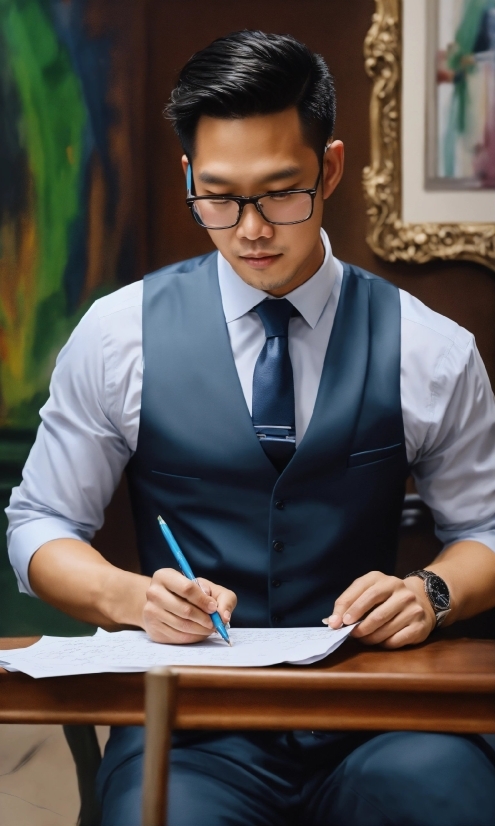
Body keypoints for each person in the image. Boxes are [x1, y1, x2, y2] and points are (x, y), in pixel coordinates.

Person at [6, 30, 495, 826]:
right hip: (193, 724)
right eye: (220, 197)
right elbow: (39, 527)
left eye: (280, 192)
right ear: (189, 176)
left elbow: (487, 527)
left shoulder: (429, 347)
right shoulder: (116, 333)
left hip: (379, 713)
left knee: (446, 798)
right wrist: (133, 598)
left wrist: (431, 593)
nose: (251, 229)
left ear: (329, 169)